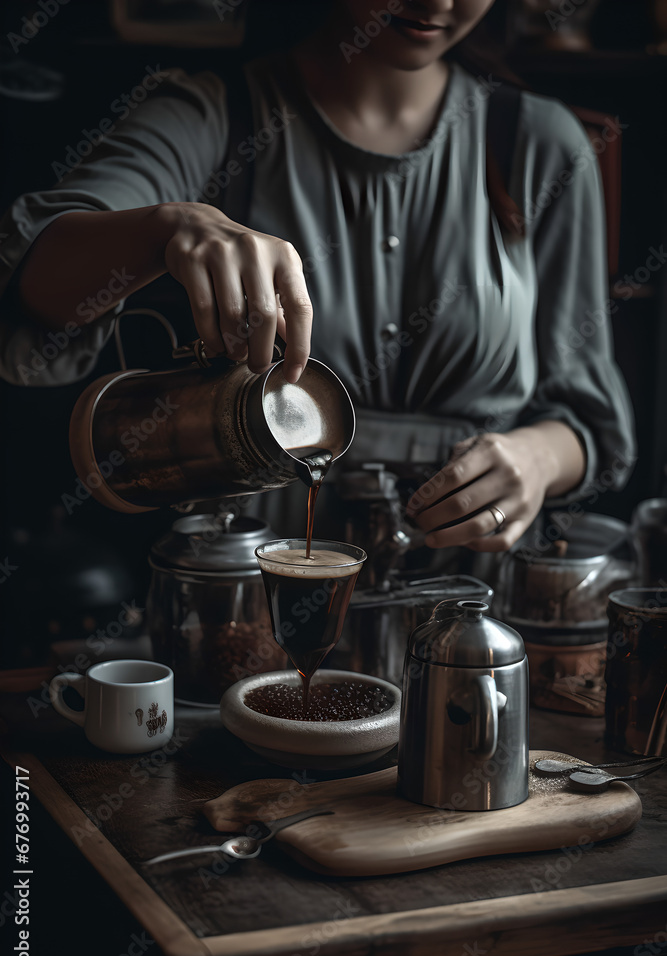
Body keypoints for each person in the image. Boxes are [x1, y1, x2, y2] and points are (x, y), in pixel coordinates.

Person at [0, 0, 635, 556]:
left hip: (469, 610)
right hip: (248, 590)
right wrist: (168, 227)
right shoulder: (217, 114)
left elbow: (589, 423)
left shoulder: (541, 145)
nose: (436, 0)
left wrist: (536, 459)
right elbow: (35, 279)